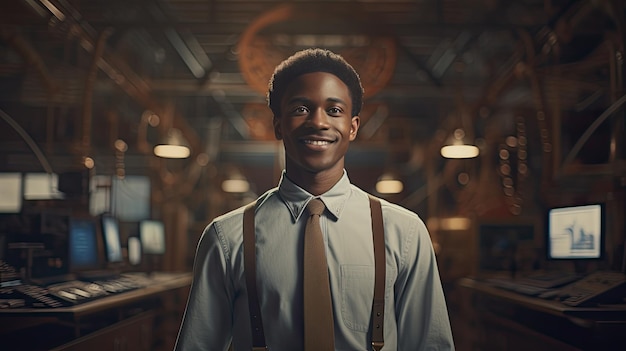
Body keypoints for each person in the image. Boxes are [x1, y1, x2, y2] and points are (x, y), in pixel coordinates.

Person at [174, 48, 455, 350]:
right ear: (278, 124)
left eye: (334, 110)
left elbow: (430, 345)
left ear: (353, 127)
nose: (318, 121)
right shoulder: (226, 237)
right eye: (300, 109)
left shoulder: (404, 232)